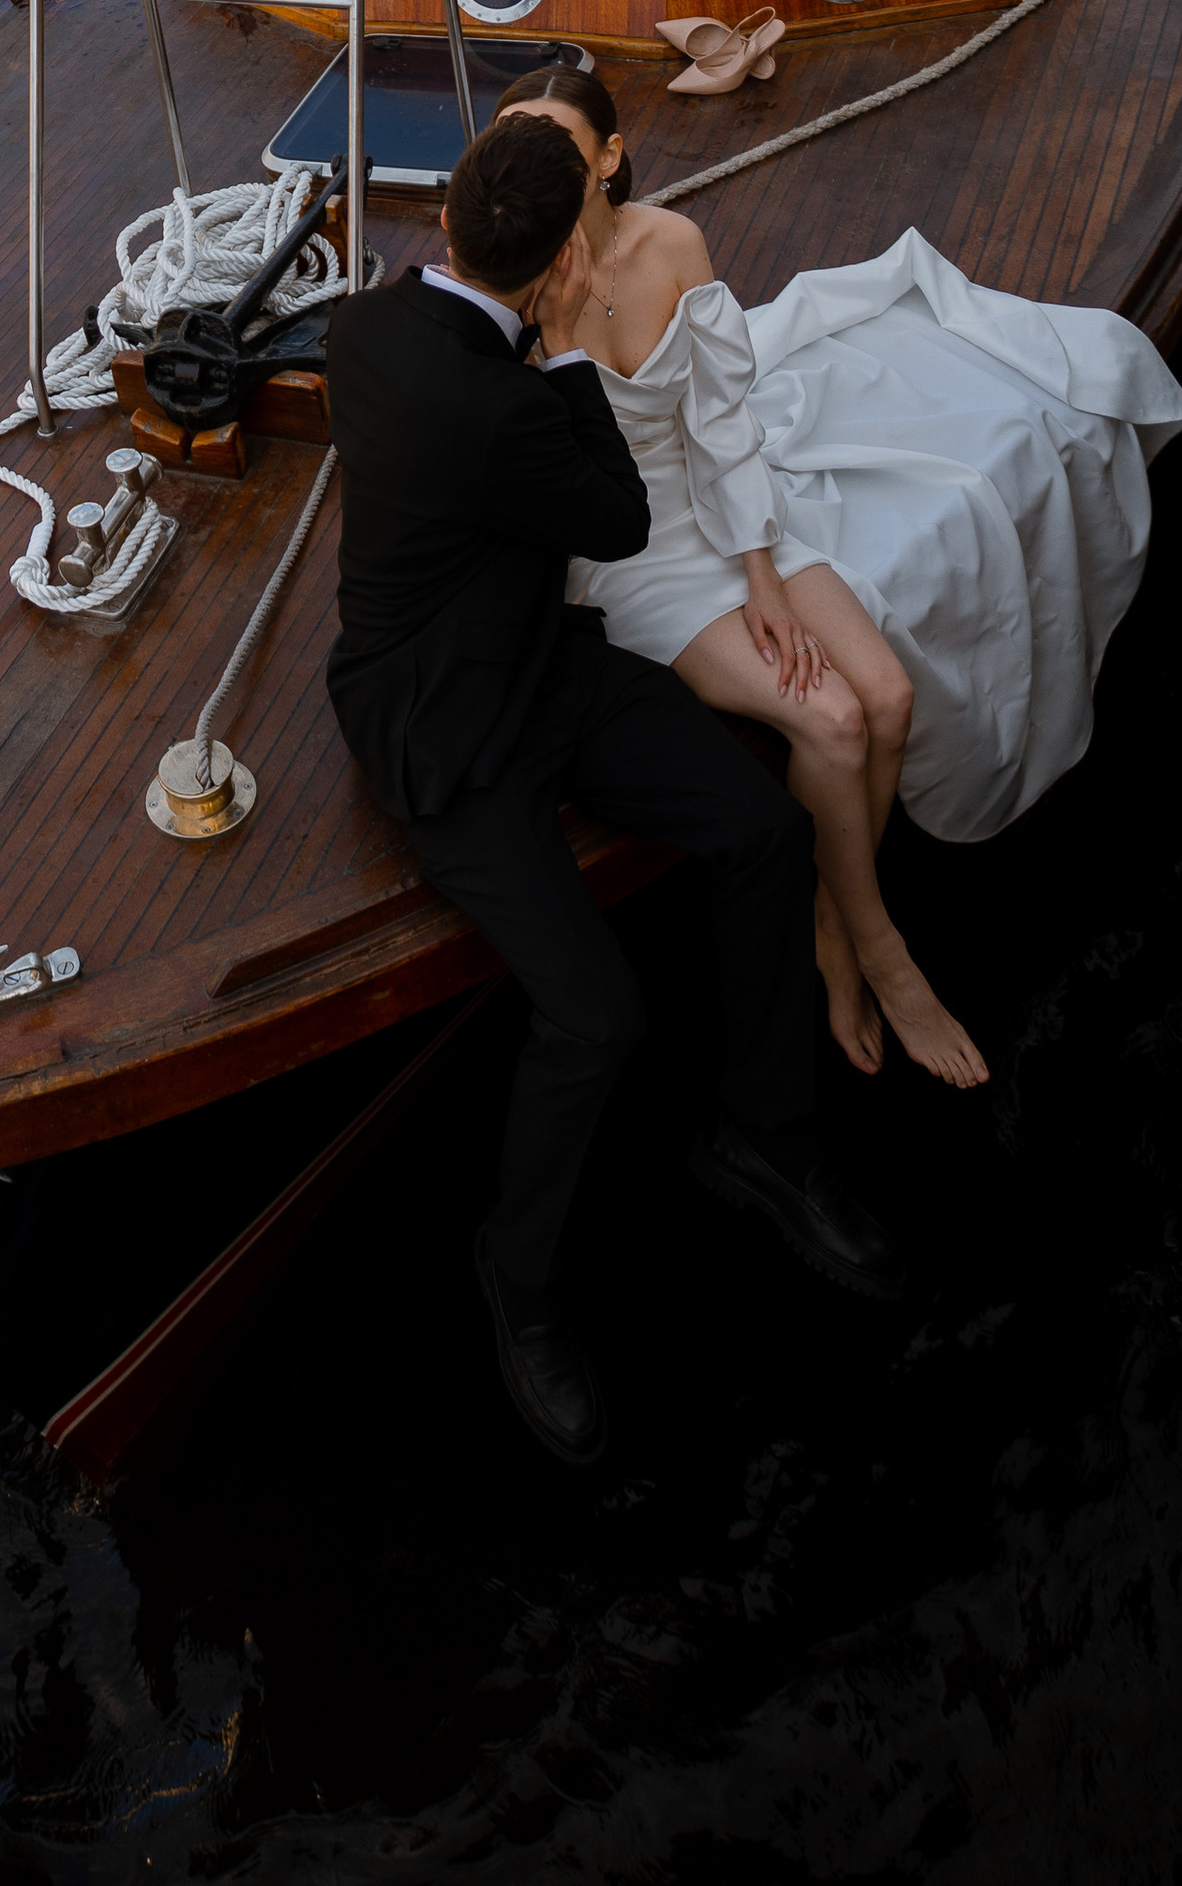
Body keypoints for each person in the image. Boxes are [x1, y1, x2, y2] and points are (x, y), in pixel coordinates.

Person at [324, 113, 898, 1467]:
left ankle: (764, 1132)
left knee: (759, 835)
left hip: (540, 659)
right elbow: (621, 519)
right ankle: (518, 1285)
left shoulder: (367, 330)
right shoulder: (515, 401)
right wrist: (570, 343)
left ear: (445, 226)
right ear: (561, 258)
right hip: (450, 732)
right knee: (595, 1015)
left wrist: (536, 324)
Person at [496, 65, 1182, 1088]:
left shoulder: (671, 245)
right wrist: (554, 337)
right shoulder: (517, 293)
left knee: (888, 694)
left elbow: (726, 422)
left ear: (606, 158)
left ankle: (835, 909)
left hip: (724, 507)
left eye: (559, 146)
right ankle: (876, 956)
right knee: (827, 717)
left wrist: (764, 572)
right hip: (627, 552)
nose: (538, 169)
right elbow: (559, 482)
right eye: (517, 144)